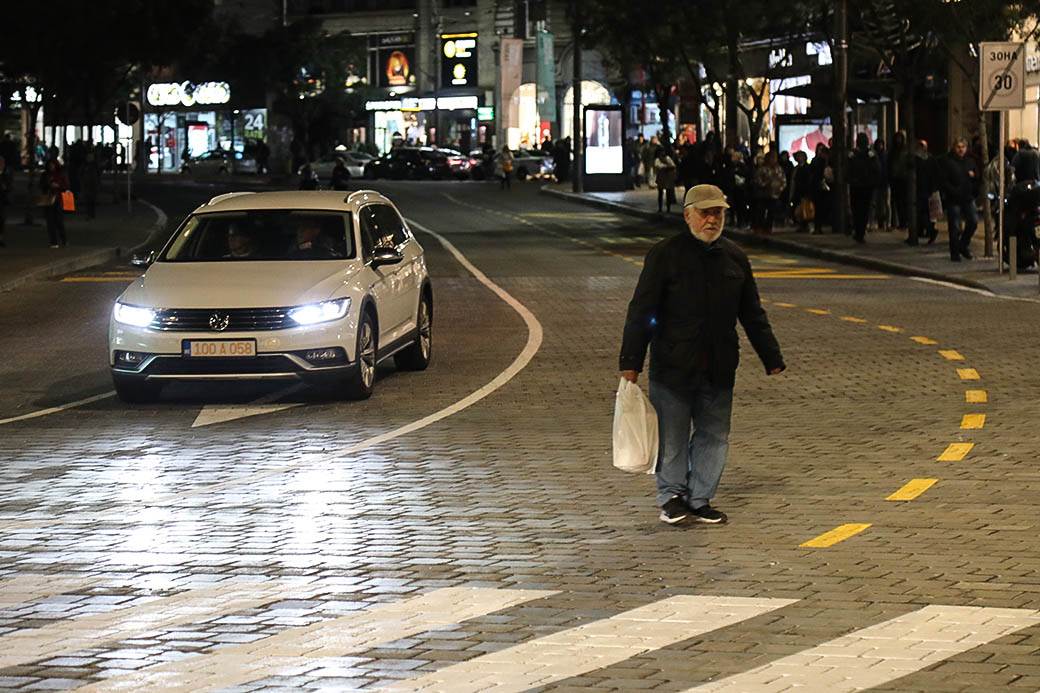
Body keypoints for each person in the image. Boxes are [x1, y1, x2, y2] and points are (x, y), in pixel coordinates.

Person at [619, 184, 786, 526]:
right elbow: (642, 310)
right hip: (673, 365)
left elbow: (751, 312)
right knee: (674, 436)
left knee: (714, 435)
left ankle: (699, 498)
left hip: (719, 365)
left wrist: (771, 356)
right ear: (688, 215)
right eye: (705, 213)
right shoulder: (665, 255)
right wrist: (631, 363)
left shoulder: (735, 257)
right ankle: (671, 497)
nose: (712, 219)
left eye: (718, 213)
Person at [938, 138, 979, 261]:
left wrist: (974, 179)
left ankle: (963, 245)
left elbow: (977, 177)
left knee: (973, 221)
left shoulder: (970, 161)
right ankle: (955, 253)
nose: (961, 149)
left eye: (963, 147)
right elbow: (943, 181)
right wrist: (953, 191)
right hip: (954, 199)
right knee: (954, 226)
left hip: (967, 197)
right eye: (958, 147)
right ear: (954, 148)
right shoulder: (948, 162)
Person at [847, 132, 882, 243]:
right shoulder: (870, 154)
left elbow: (848, 169)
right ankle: (860, 232)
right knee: (864, 210)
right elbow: (877, 168)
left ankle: (859, 232)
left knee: (857, 209)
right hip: (866, 186)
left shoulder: (853, 154)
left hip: (857, 186)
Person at [751, 151, 786, 234]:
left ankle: (768, 227)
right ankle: (759, 226)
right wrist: (765, 184)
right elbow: (757, 180)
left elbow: (783, 180)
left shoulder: (778, 169)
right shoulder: (763, 169)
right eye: (772, 158)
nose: (773, 160)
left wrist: (780, 188)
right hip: (763, 194)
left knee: (771, 212)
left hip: (774, 194)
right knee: (761, 211)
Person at [913, 139, 940, 246]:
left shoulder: (930, 159)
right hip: (921, 189)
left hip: (927, 189)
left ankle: (930, 230)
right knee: (924, 212)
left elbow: (936, 173)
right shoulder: (916, 159)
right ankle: (927, 231)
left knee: (925, 213)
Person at [39, 159, 69, 248]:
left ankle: (64, 239)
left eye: (53, 165)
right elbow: (41, 185)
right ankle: (53, 242)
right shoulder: (45, 175)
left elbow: (66, 186)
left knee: (59, 221)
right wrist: (48, 185)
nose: (51, 167)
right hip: (48, 199)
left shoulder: (61, 174)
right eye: (50, 165)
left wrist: (58, 186)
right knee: (50, 222)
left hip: (58, 199)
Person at [889, 131, 912, 235]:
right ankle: (900, 221)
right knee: (898, 202)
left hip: (904, 179)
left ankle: (904, 221)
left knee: (904, 202)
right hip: (896, 179)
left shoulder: (906, 151)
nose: (898, 141)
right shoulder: (893, 152)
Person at [810, 144, 833, 234]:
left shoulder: (818, 161)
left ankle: (818, 227)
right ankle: (818, 227)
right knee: (820, 209)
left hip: (819, 188)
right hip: (820, 188)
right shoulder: (821, 162)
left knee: (819, 209)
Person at [790, 150, 814, 233]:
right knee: (798, 209)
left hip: (803, 191)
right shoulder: (796, 168)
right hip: (797, 191)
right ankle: (801, 225)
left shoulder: (807, 168)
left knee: (804, 209)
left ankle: (805, 225)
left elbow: (807, 180)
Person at [653, 147, 677, 213]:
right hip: (662, 177)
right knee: (661, 193)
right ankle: (661, 208)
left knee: (667, 193)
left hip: (666, 177)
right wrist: (667, 167)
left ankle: (667, 209)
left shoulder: (667, 158)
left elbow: (672, 166)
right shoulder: (658, 160)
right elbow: (659, 167)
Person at [80, 144, 101, 220]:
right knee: (88, 201)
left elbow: (97, 176)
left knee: (91, 201)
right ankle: (89, 214)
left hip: (92, 185)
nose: (89, 158)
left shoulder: (94, 166)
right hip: (87, 185)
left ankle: (91, 214)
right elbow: (81, 174)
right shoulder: (85, 166)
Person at [0, 155, 10, 247]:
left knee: (2, 220)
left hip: (2, 200)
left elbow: (9, 186)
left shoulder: (5, 175)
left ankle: (1, 238)